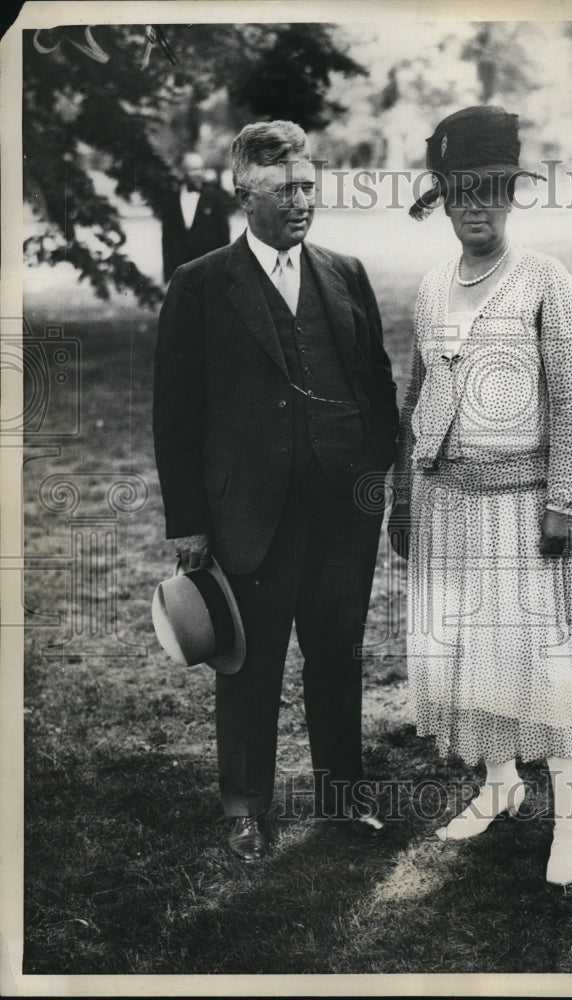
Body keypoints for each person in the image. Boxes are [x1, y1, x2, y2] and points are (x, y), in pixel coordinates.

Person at [153, 121, 399, 862]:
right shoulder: (200, 286)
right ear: (242, 192)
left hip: (340, 513)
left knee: (337, 652)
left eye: (307, 187)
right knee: (248, 662)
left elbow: (376, 380)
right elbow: (176, 413)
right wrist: (190, 522)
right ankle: (245, 807)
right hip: (249, 515)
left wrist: (376, 473)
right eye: (284, 188)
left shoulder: (345, 271)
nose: (301, 202)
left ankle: (340, 795)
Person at [389, 106, 572, 885]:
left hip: (521, 500)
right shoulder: (433, 285)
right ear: (441, 199)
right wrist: (405, 498)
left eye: (490, 192)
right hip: (446, 500)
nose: (475, 209)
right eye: (459, 194)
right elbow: (419, 393)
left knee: (538, 653)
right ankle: (498, 778)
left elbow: (571, 400)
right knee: (470, 649)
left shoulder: (546, 280)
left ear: (511, 195)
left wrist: (563, 501)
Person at [160, 151, 231, 282]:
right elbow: (167, 241)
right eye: (193, 170)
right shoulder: (171, 201)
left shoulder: (215, 199)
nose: (199, 174)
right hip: (181, 273)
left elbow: (224, 238)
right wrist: (168, 277)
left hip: (209, 271)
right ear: (182, 173)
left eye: (201, 169)